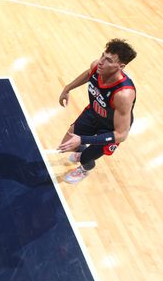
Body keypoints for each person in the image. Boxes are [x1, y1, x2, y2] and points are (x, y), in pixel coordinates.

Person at [57, 39, 137, 184]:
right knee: (68, 144)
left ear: (121, 66)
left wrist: (83, 139)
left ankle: (85, 169)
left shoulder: (123, 95)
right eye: (102, 56)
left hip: (110, 129)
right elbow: (88, 75)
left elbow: (121, 135)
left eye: (108, 60)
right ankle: (80, 148)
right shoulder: (96, 67)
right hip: (93, 113)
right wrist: (67, 88)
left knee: (85, 158)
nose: (101, 62)